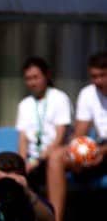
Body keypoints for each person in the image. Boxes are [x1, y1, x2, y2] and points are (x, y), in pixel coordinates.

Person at [45, 51, 107, 221]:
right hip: (99, 145)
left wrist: (102, 151)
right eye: (94, 76)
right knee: (56, 157)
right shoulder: (88, 94)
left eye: (102, 75)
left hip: (103, 149)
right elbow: (80, 132)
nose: (97, 81)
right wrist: (77, 155)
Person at [14, 56, 72, 192]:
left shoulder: (60, 98)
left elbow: (59, 139)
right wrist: (22, 164)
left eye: (36, 77)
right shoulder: (24, 104)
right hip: (31, 159)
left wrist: (36, 162)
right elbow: (23, 140)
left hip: (51, 157)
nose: (32, 83)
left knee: (31, 177)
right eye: (28, 78)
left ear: (47, 75)